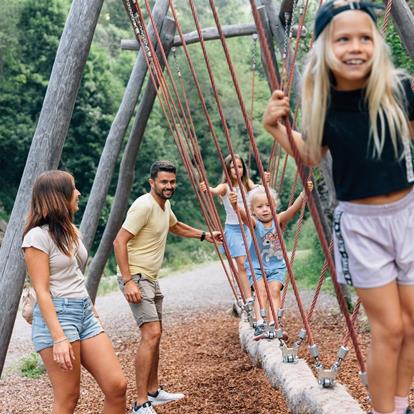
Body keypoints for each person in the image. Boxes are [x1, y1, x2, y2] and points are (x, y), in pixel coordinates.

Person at [263, 1, 414, 413]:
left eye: (365, 37)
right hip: (362, 225)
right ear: (324, 48)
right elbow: (311, 154)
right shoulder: (323, 104)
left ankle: (400, 404)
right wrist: (276, 129)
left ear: (376, 44)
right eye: (342, 38)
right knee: (389, 328)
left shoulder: (398, 89)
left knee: (412, 325)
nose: (355, 46)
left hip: (408, 214)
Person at [113, 160, 223, 414]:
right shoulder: (144, 205)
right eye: (163, 182)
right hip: (137, 278)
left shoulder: (165, 205)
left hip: (150, 278)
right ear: (152, 182)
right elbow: (120, 242)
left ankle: (153, 391)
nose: (169, 186)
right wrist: (128, 280)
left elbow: (175, 226)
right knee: (151, 334)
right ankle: (140, 403)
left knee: (156, 334)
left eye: (172, 182)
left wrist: (205, 235)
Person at [22, 170, 127, 414]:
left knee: (116, 386)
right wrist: (59, 338)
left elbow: (76, 277)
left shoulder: (70, 231)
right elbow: (42, 290)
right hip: (57, 318)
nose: (78, 193)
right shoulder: (36, 238)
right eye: (73, 188)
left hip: (83, 314)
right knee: (68, 398)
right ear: (59, 196)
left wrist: (91, 310)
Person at [230, 184, 310, 339]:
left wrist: (303, 194)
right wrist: (235, 205)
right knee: (260, 292)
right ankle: (260, 324)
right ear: (253, 210)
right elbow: (243, 216)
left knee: (274, 291)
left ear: (274, 206)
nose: (265, 209)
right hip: (256, 265)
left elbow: (293, 210)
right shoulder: (254, 223)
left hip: (276, 266)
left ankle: (273, 325)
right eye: (259, 207)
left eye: (268, 205)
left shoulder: (279, 220)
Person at [200, 154, 269, 308]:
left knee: (254, 262)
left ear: (243, 168)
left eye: (239, 166)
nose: (236, 170)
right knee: (242, 263)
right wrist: (208, 189)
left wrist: (266, 182)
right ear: (227, 169)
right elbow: (215, 190)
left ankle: (257, 291)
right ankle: (248, 298)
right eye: (233, 167)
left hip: (249, 227)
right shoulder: (225, 186)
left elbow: (260, 190)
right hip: (233, 229)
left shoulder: (247, 184)